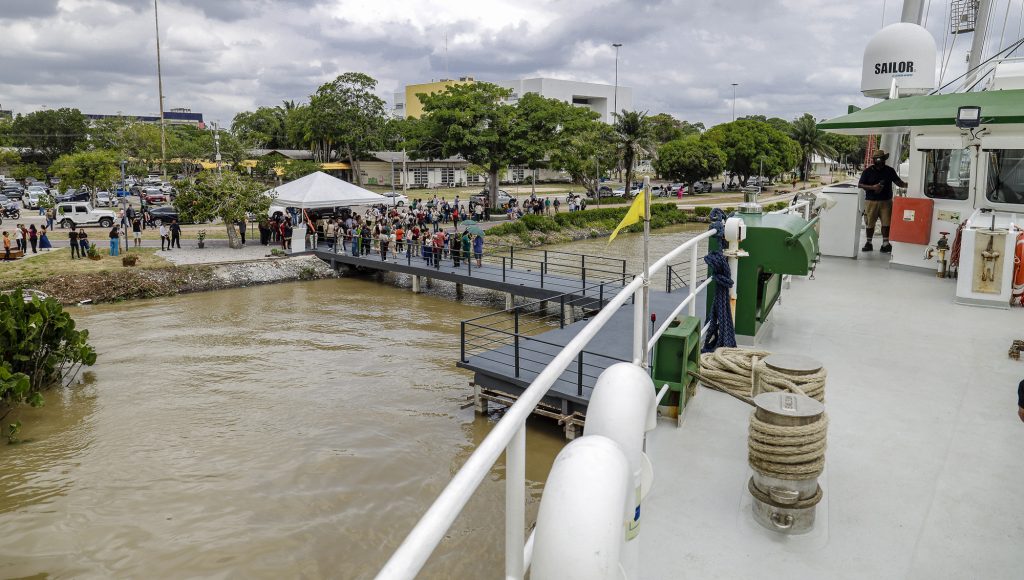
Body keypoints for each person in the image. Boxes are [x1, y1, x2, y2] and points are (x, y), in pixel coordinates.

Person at [858, 149, 907, 253]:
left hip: (886, 201)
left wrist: (908, 185)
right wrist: (873, 187)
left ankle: (885, 244)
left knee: (886, 223)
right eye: (877, 159)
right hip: (871, 201)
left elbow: (898, 182)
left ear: (884, 159)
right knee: (870, 223)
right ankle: (869, 243)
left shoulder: (890, 170)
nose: (879, 161)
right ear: (874, 160)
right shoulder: (867, 171)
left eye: (881, 159)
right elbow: (860, 184)